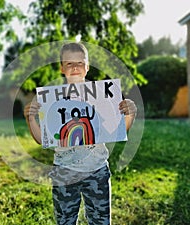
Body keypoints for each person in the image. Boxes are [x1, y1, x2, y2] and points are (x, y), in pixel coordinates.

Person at [24, 42, 137, 225]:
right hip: (64, 172)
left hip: (97, 170)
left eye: (80, 63)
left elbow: (116, 130)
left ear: (87, 67)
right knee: (65, 221)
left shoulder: (101, 95)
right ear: (62, 68)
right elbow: (41, 138)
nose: (75, 67)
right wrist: (30, 119)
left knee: (100, 221)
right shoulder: (52, 98)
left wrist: (130, 115)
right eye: (69, 63)